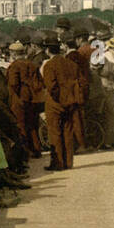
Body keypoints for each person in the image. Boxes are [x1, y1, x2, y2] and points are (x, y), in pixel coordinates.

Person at [42, 41, 82, 170]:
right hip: (71, 101)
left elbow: (51, 86)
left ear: (48, 50)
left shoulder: (49, 65)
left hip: (55, 102)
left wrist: (57, 98)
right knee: (68, 131)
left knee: (54, 132)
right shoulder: (71, 64)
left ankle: (58, 163)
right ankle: (68, 162)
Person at [5, 41, 44, 157]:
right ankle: (36, 149)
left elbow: (13, 83)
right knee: (32, 124)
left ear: (13, 53)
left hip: (19, 99)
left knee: (21, 125)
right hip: (34, 99)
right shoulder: (32, 64)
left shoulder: (14, 66)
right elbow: (40, 82)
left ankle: (25, 152)